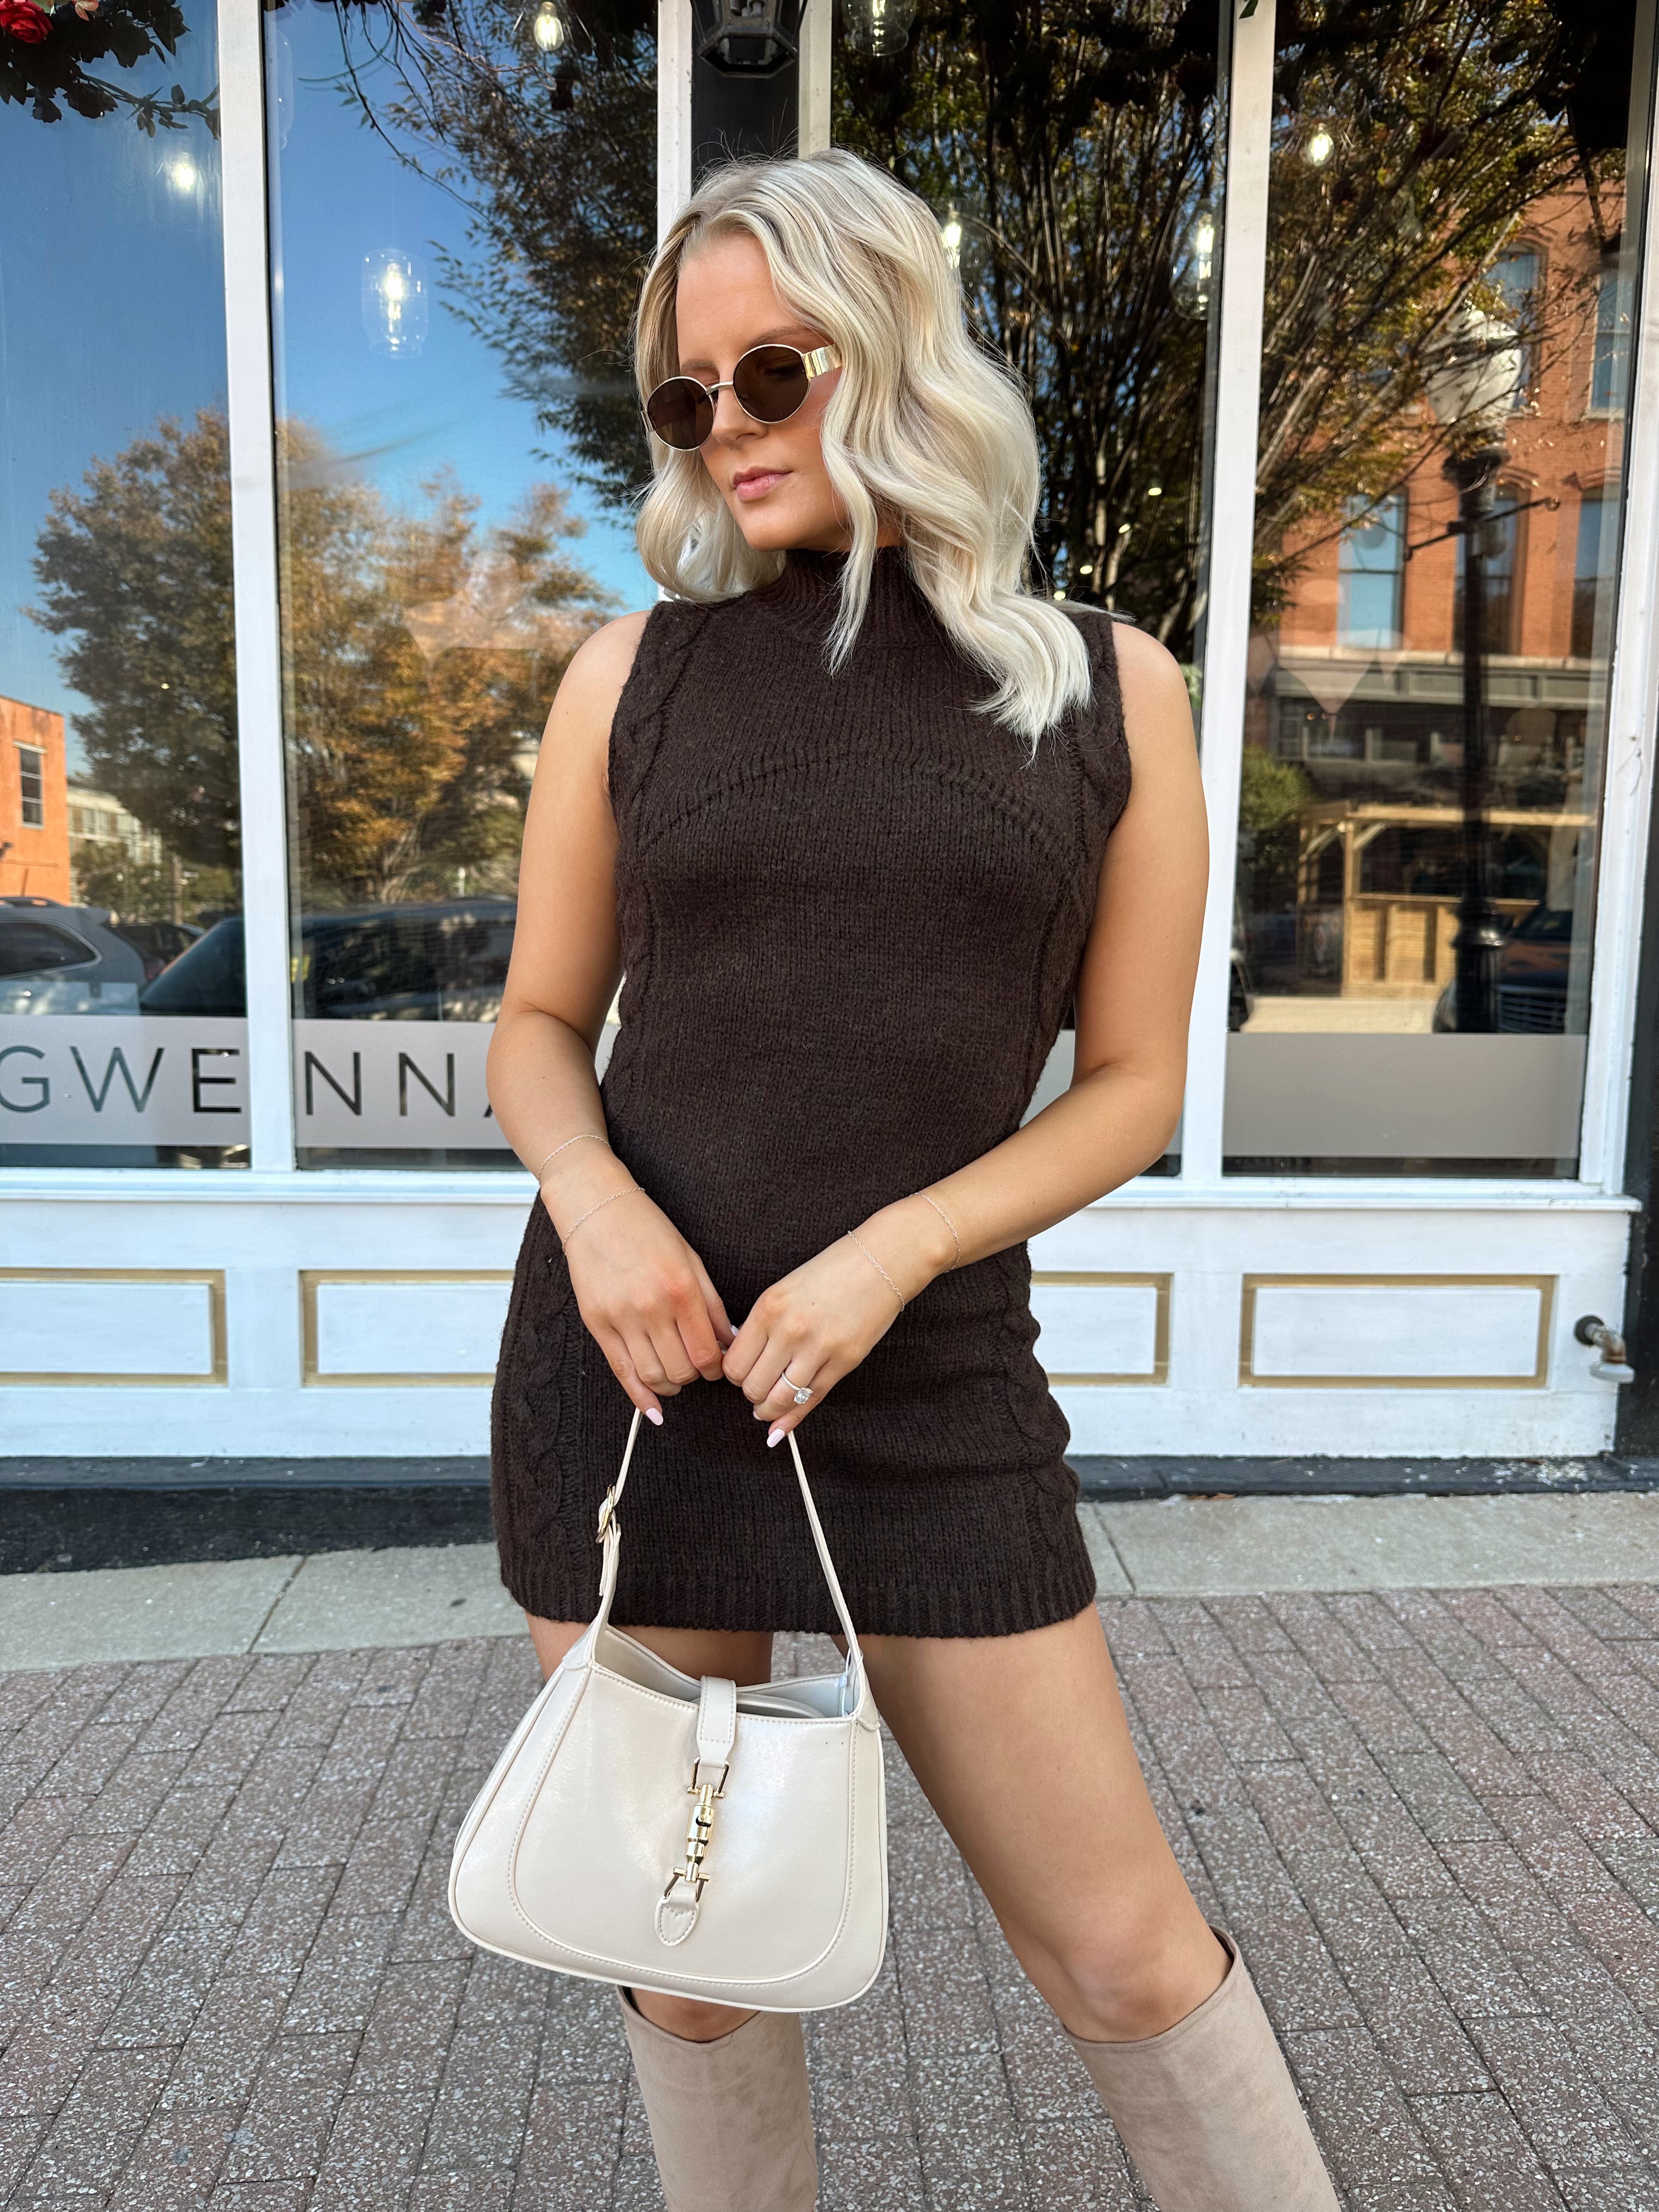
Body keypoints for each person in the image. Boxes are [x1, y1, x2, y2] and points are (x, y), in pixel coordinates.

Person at [484, 145, 1340, 2212]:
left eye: (763, 373)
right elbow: (532, 1026)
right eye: (685, 400)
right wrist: (601, 1213)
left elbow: (1135, 1082)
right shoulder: (636, 678)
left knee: (1127, 1954)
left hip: (930, 1380)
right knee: (686, 1967)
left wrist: (900, 1245)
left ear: (891, 344)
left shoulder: (1110, 691)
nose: (724, 432)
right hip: (638, 1378)